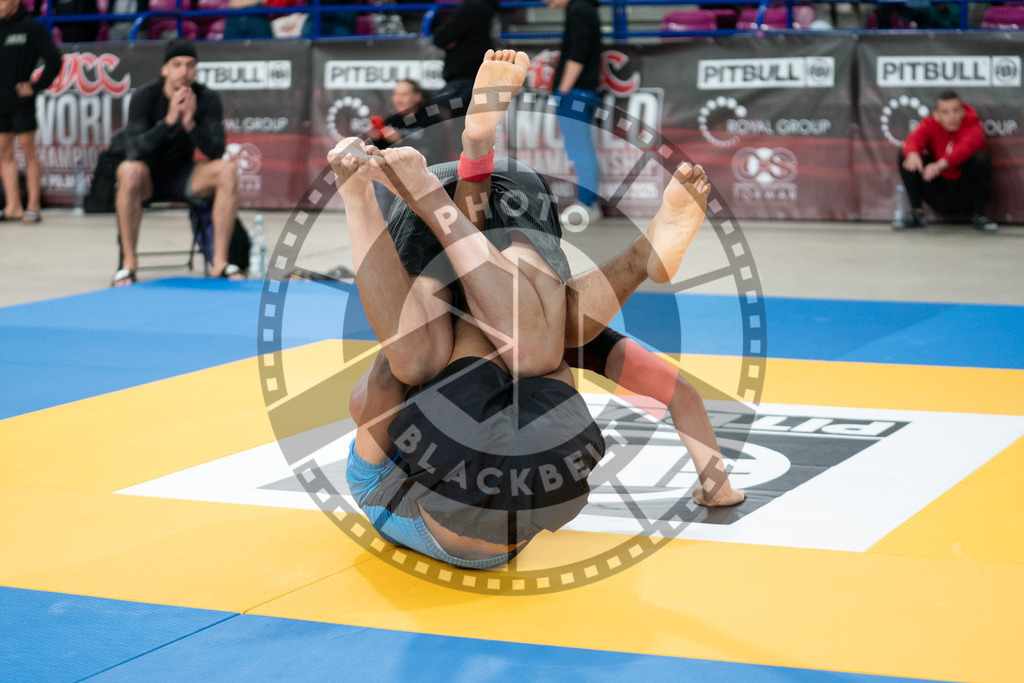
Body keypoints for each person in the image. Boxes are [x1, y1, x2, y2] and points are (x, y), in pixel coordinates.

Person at [331, 51, 742, 569]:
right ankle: (618, 251)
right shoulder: (570, 331)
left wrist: (361, 198)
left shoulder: (408, 381)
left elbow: (393, 380)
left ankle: (446, 181)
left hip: (434, 510)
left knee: (413, 362)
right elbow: (678, 393)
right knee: (535, 344)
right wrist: (716, 485)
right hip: (513, 512)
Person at [111, 38, 242, 285]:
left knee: (227, 171)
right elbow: (133, 150)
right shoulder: (145, 96)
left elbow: (216, 151)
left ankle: (221, 263)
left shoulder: (206, 98)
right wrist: (169, 121)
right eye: (177, 64)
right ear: (165, 69)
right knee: (127, 171)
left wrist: (190, 123)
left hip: (185, 175)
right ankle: (128, 265)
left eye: (190, 65)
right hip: (148, 177)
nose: (184, 71)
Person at [896, 90, 997, 232]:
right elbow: (913, 139)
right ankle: (917, 214)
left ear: (962, 111)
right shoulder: (930, 123)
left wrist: (940, 165)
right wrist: (913, 153)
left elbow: (966, 148)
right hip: (938, 190)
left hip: (964, 194)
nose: (952, 116)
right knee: (906, 155)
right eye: (946, 112)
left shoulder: (973, 125)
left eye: (956, 111)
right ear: (937, 115)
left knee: (980, 158)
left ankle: (979, 216)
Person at [0, 0, 61, 224]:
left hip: (21, 101)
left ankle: (33, 205)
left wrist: (35, 87)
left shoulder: (31, 27)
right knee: (3, 154)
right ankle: (13, 206)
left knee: (28, 151)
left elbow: (54, 59)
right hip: (1, 102)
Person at [544, 0, 604, 225]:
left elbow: (579, 51)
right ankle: (588, 203)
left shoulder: (579, 9)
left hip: (576, 94)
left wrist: (564, 89)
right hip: (580, 92)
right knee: (579, 148)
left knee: (580, 149)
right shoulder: (582, 8)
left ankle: (588, 204)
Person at [430, 0, 499, 117]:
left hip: (466, 79)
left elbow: (440, 38)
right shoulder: (491, 7)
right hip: (482, 76)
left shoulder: (472, 7)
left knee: (432, 109)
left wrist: (452, 40)